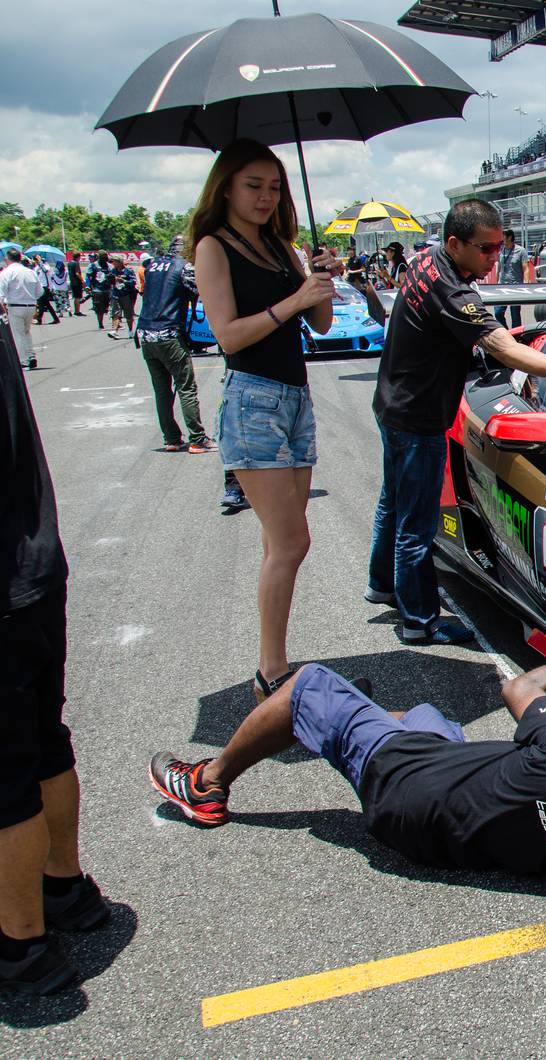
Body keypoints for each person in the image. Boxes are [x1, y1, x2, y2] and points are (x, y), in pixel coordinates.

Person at [149, 593, 546, 876]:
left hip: (399, 780)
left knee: (306, 685)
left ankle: (208, 783)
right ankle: (345, 721)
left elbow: (520, 689)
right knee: (425, 714)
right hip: (422, 831)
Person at [368, 198, 546, 645]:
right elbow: (503, 348)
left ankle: (381, 584)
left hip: (392, 405)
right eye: (486, 249)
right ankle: (418, 621)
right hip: (418, 418)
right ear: (454, 243)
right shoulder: (453, 290)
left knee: (393, 503)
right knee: (416, 525)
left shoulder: (424, 261)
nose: (495, 258)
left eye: (499, 248)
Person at [190, 138, 340, 704]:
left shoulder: (283, 245)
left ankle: (275, 663)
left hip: (295, 397)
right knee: (291, 541)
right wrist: (294, 301)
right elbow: (227, 336)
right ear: (225, 186)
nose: (265, 196)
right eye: (253, 185)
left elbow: (322, 323)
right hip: (253, 398)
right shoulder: (213, 246)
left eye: (274, 187)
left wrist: (321, 279)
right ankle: (271, 673)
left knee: (285, 543)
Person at [0, 316, 111, 994]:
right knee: (44, 741)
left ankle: (19, 944)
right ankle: (67, 888)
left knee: (8, 774)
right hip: (32, 565)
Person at [137, 236, 215, 455]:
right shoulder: (184, 267)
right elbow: (202, 291)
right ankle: (198, 439)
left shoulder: (152, 265)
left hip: (145, 333)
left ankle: (171, 438)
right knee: (186, 387)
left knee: (162, 390)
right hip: (169, 332)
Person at [2, 249, 42, 370]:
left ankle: (23, 360)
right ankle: (31, 355)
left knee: (17, 334)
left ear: (7, 259)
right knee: (26, 331)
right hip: (30, 305)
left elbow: (1, 292)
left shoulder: (6, 272)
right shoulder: (30, 272)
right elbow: (40, 292)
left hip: (15, 306)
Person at [494, 231, 530, 329]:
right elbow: (499, 268)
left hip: (515, 287)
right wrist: (496, 283)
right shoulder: (501, 250)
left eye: (503, 236)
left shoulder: (521, 251)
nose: (501, 239)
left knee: (515, 315)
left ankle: (517, 336)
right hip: (502, 287)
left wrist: (526, 284)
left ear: (510, 238)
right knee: (498, 313)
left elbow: (526, 268)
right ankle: (506, 332)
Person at [106, 257, 139, 340]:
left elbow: (133, 282)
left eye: (115, 262)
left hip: (126, 295)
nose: (113, 263)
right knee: (116, 314)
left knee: (128, 315)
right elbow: (109, 281)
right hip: (116, 295)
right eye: (113, 262)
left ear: (120, 262)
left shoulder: (128, 271)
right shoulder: (113, 271)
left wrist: (123, 280)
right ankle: (115, 331)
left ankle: (131, 331)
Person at [87, 251, 114, 329]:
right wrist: (88, 286)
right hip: (97, 290)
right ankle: (100, 324)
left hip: (108, 289)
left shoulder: (109, 266)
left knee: (109, 307)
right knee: (99, 308)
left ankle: (115, 324)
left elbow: (114, 276)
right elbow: (88, 276)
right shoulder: (93, 265)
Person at [33, 259, 60, 326]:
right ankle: (56, 318)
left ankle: (39, 319)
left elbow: (46, 270)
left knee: (41, 303)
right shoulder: (37, 267)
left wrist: (41, 263)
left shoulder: (46, 266)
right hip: (39, 287)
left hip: (45, 287)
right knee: (47, 304)